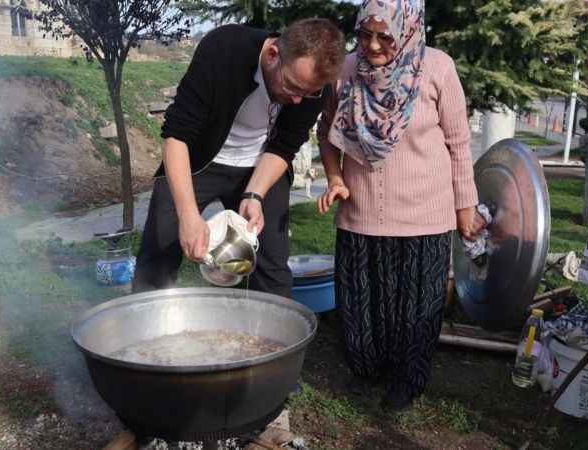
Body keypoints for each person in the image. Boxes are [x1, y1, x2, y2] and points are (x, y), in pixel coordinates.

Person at [316, 0, 484, 411]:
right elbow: (326, 133)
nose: (372, 46)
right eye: (364, 34)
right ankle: (365, 370)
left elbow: (458, 143)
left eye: (384, 36)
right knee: (361, 307)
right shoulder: (347, 71)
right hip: (361, 213)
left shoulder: (437, 67)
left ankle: (406, 381)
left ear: (407, 29)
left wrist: (466, 205)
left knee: (415, 308)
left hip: (424, 214)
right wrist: (335, 178)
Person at [132, 19, 346, 298]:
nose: (298, 101)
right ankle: (148, 321)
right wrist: (188, 216)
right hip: (197, 161)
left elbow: (285, 146)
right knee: (157, 256)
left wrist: (255, 195)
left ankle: (273, 326)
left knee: (272, 267)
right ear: (273, 55)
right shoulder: (224, 49)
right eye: (293, 87)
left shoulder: (314, 88)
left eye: (308, 93)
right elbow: (177, 136)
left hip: (260, 166)